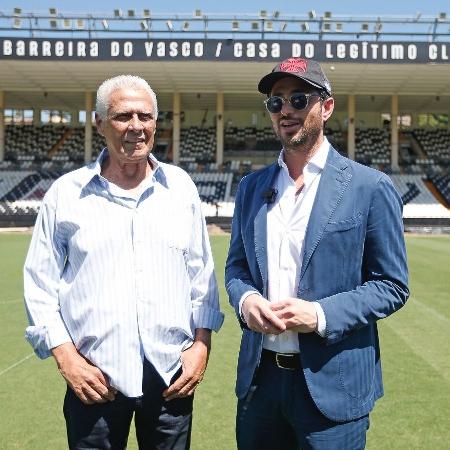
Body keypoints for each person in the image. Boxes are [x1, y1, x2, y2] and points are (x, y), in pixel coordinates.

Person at [24, 75, 224, 450]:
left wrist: (202, 345)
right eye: (122, 116)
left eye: (145, 116)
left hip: (170, 375)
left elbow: (202, 276)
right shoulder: (65, 194)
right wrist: (66, 358)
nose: (136, 126)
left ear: (155, 122)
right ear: (100, 123)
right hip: (95, 377)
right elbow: (39, 284)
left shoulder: (181, 188)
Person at [225, 57, 409, 450]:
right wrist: (246, 300)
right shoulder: (251, 187)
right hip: (261, 385)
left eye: (298, 99)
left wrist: (320, 315)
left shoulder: (370, 187)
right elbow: (236, 267)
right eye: (275, 102)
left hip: (333, 388)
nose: (285, 110)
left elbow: (392, 285)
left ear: (326, 107)